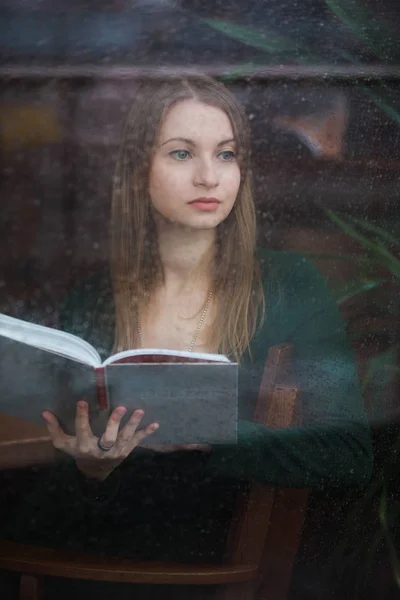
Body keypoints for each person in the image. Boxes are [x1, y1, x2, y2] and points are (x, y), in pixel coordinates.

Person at [3, 75, 373, 599]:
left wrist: (213, 432)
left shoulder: (288, 285)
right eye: (181, 154)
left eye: (226, 155)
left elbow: (347, 454)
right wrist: (90, 466)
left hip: (208, 569)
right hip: (93, 555)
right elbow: (69, 487)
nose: (208, 176)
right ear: (137, 173)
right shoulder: (96, 298)